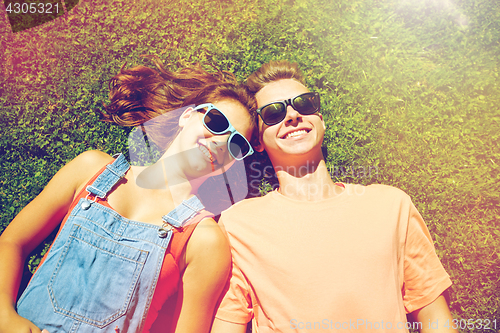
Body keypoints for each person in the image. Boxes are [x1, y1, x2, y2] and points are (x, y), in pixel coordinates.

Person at [0, 58, 257, 333]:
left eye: (236, 144)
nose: (220, 142)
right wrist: (5, 315)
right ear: (186, 115)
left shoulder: (203, 240)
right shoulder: (92, 169)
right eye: (216, 122)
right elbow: (12, 242)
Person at [211, 60, 457, 333]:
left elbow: (437, 321)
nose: (292, 115)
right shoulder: (238, 225)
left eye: (304, 104)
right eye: (273, 113)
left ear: (321, 121)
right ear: (257, 140)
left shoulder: (390, 206)